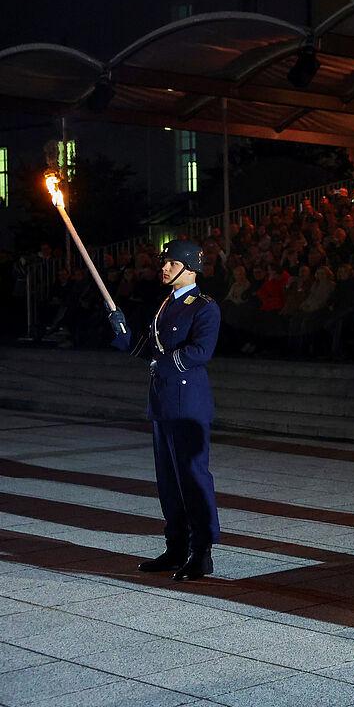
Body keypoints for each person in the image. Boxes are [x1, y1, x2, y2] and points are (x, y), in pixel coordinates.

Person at [105, 240, 222, 581]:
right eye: (164, 262)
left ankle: (202, 552)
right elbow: (150, 348)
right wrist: (124, 334)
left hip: (188, 405)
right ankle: (176, 547)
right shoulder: (167, 303)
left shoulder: (204, 306)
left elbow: (200, 352)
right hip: (163, 402)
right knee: (169, 482)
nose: (165, 267)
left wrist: (162, 363)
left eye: (172, 263)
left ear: (190, 269)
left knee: (193, 478)